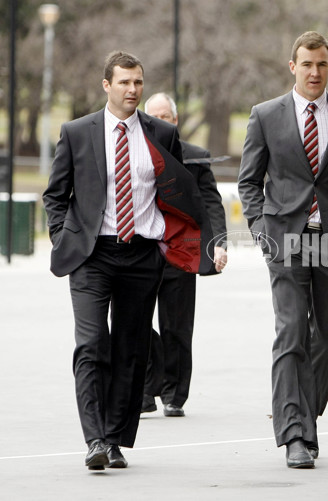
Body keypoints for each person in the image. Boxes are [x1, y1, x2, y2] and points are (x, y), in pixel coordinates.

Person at [43, 51, 215, 470]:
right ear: (107, 85)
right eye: (124, 82)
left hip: (142, 256)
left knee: (130, 349)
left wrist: (180, 245)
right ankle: (96, 438)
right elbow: (55, 196)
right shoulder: (78, 132)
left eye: (138, 82)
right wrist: (66, 239)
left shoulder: (161, 133)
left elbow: (178, 193)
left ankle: (116, 438)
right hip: (92, 255)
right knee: (91, 344)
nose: (132, 90)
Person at [238, 31, 328, 469]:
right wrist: (262, 230)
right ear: (292, 66)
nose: (314, 72)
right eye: (306, 64)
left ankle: (304, 415)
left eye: (321, 64)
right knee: (292, 330)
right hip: (286, 239)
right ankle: (295, 433)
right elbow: (249, 182)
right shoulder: (265, 115)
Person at [142, 92, 228, 417]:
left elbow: (210, 203)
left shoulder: (195, 156)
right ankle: (145, 390)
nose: (160, 123)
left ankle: (174, 394)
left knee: (177, 326)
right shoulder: (135, 156)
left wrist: (218, 243)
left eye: (166, 117)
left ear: (175, 121)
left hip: (182, 251)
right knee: (135, 321)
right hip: (141, 251)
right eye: (153, 117)